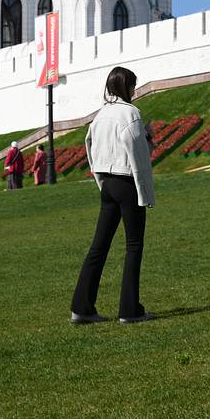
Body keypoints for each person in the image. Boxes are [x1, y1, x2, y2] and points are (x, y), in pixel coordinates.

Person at [70, 66, 155, 325]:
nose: (134, 91)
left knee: (99, 246)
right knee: (134, 245)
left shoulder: (101, 114)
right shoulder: (130, 113)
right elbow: (139, 156)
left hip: (108, 183)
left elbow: (90, 145)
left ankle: (81, 307)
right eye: (132, 86)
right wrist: (146, 193)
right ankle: (130, 309)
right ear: (125, 87)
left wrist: (100, 180)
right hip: (127, 181)